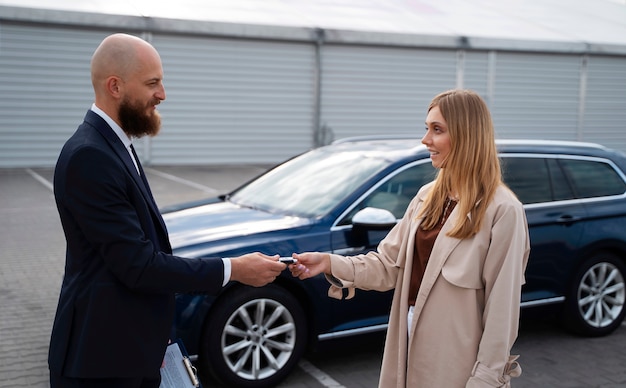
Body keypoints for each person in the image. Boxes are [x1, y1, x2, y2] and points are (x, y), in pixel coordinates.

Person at [48, 33, 287, 388]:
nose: (162, 94)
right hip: (101, 363)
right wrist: (234, 269)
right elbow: (139, 266)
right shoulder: (90, 156)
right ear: (115, 86)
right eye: (152, 83)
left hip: (128, 349)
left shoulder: (112, 144)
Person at [290, 89, 530, 387]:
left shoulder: (503, 210)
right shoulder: (426, 198)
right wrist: (328, 263)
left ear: (467, 135)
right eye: (427, 128)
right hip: (405, 348)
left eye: (437, 130)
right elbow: (387, 265)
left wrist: (485, 379)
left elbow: (502, 311)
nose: (425, 139)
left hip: (457, 365)